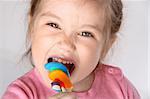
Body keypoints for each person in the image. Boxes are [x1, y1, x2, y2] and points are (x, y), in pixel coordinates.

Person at [2, 0, 140, 99]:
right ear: (32, 26)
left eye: (85, 33)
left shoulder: (120, 88)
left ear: (106, 46)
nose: (66, 43)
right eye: (54, 25)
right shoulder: (22, 94)